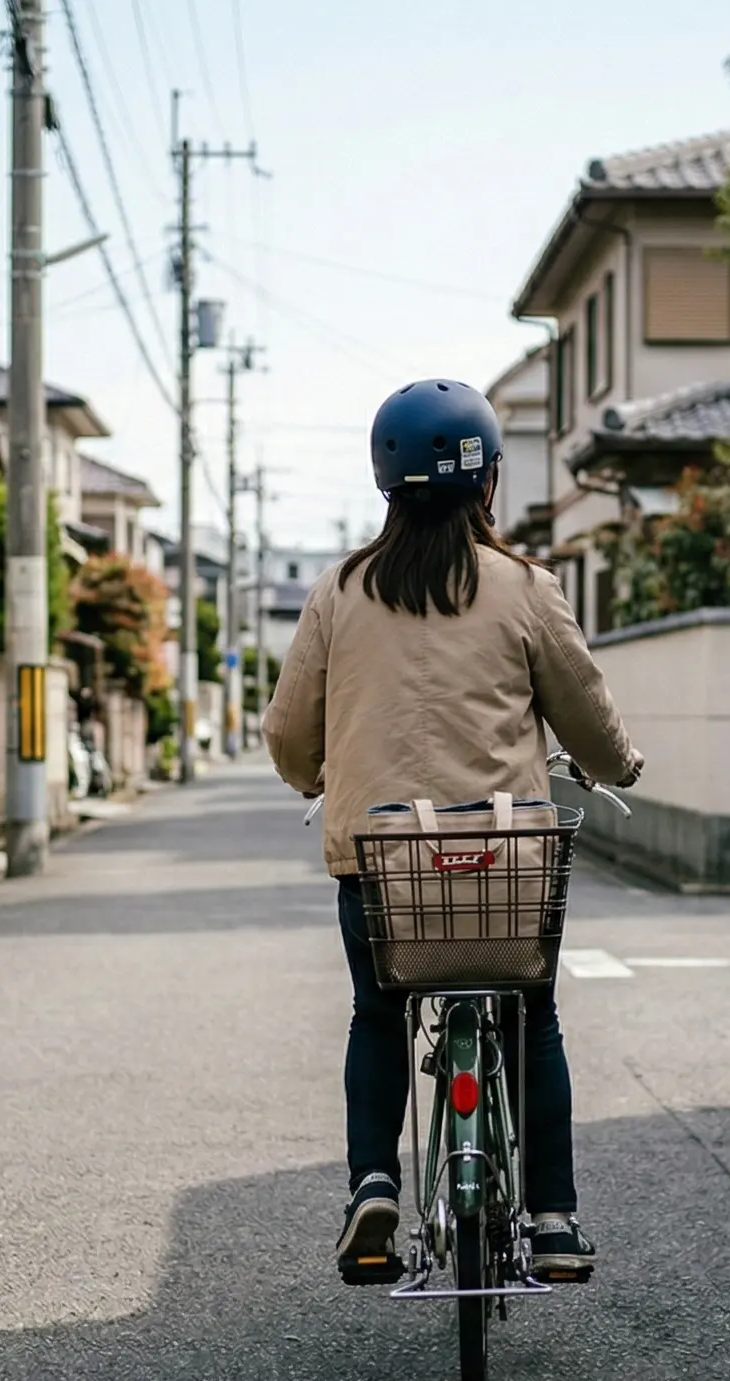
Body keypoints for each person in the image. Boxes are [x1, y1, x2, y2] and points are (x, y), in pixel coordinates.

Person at [264, 378, 641, 1284]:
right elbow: (585, 712)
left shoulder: (339, 592)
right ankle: (552, 1219)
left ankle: (373, 1185)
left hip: (384, 865)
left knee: (377, 1014)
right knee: (532, 1019)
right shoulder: (523, 589)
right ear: (488, 482)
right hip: (502, 863)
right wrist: (617, 765)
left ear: (385, 482)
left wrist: (319, 777)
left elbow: (287, 730)